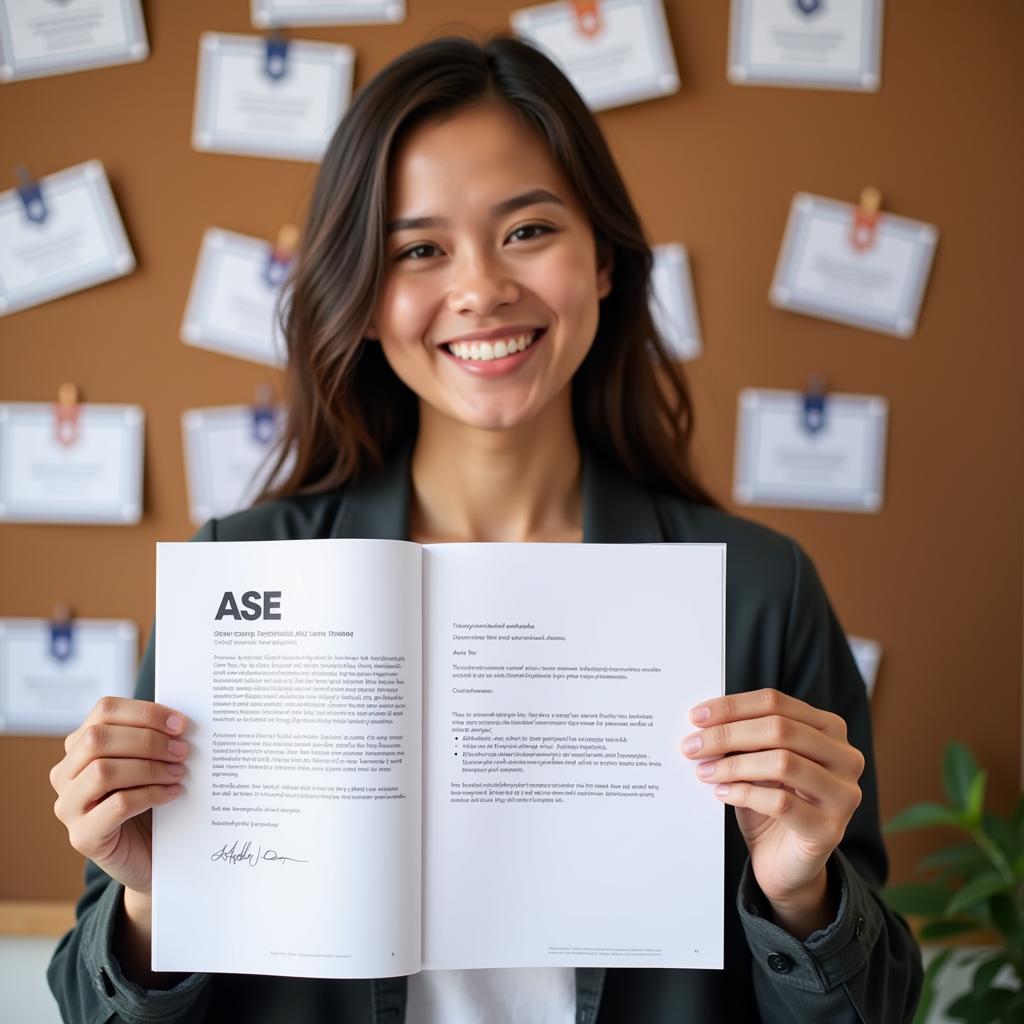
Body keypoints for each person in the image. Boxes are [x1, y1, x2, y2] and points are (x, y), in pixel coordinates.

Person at [47, 32, 923, 1024]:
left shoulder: (758, 589)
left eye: (527, 231)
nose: (480, 288)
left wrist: (800, 892)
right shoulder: (241, 573)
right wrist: (158, 899)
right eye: (419, 249)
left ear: (602, 260)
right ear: (366, 299)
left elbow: (875, 1012)